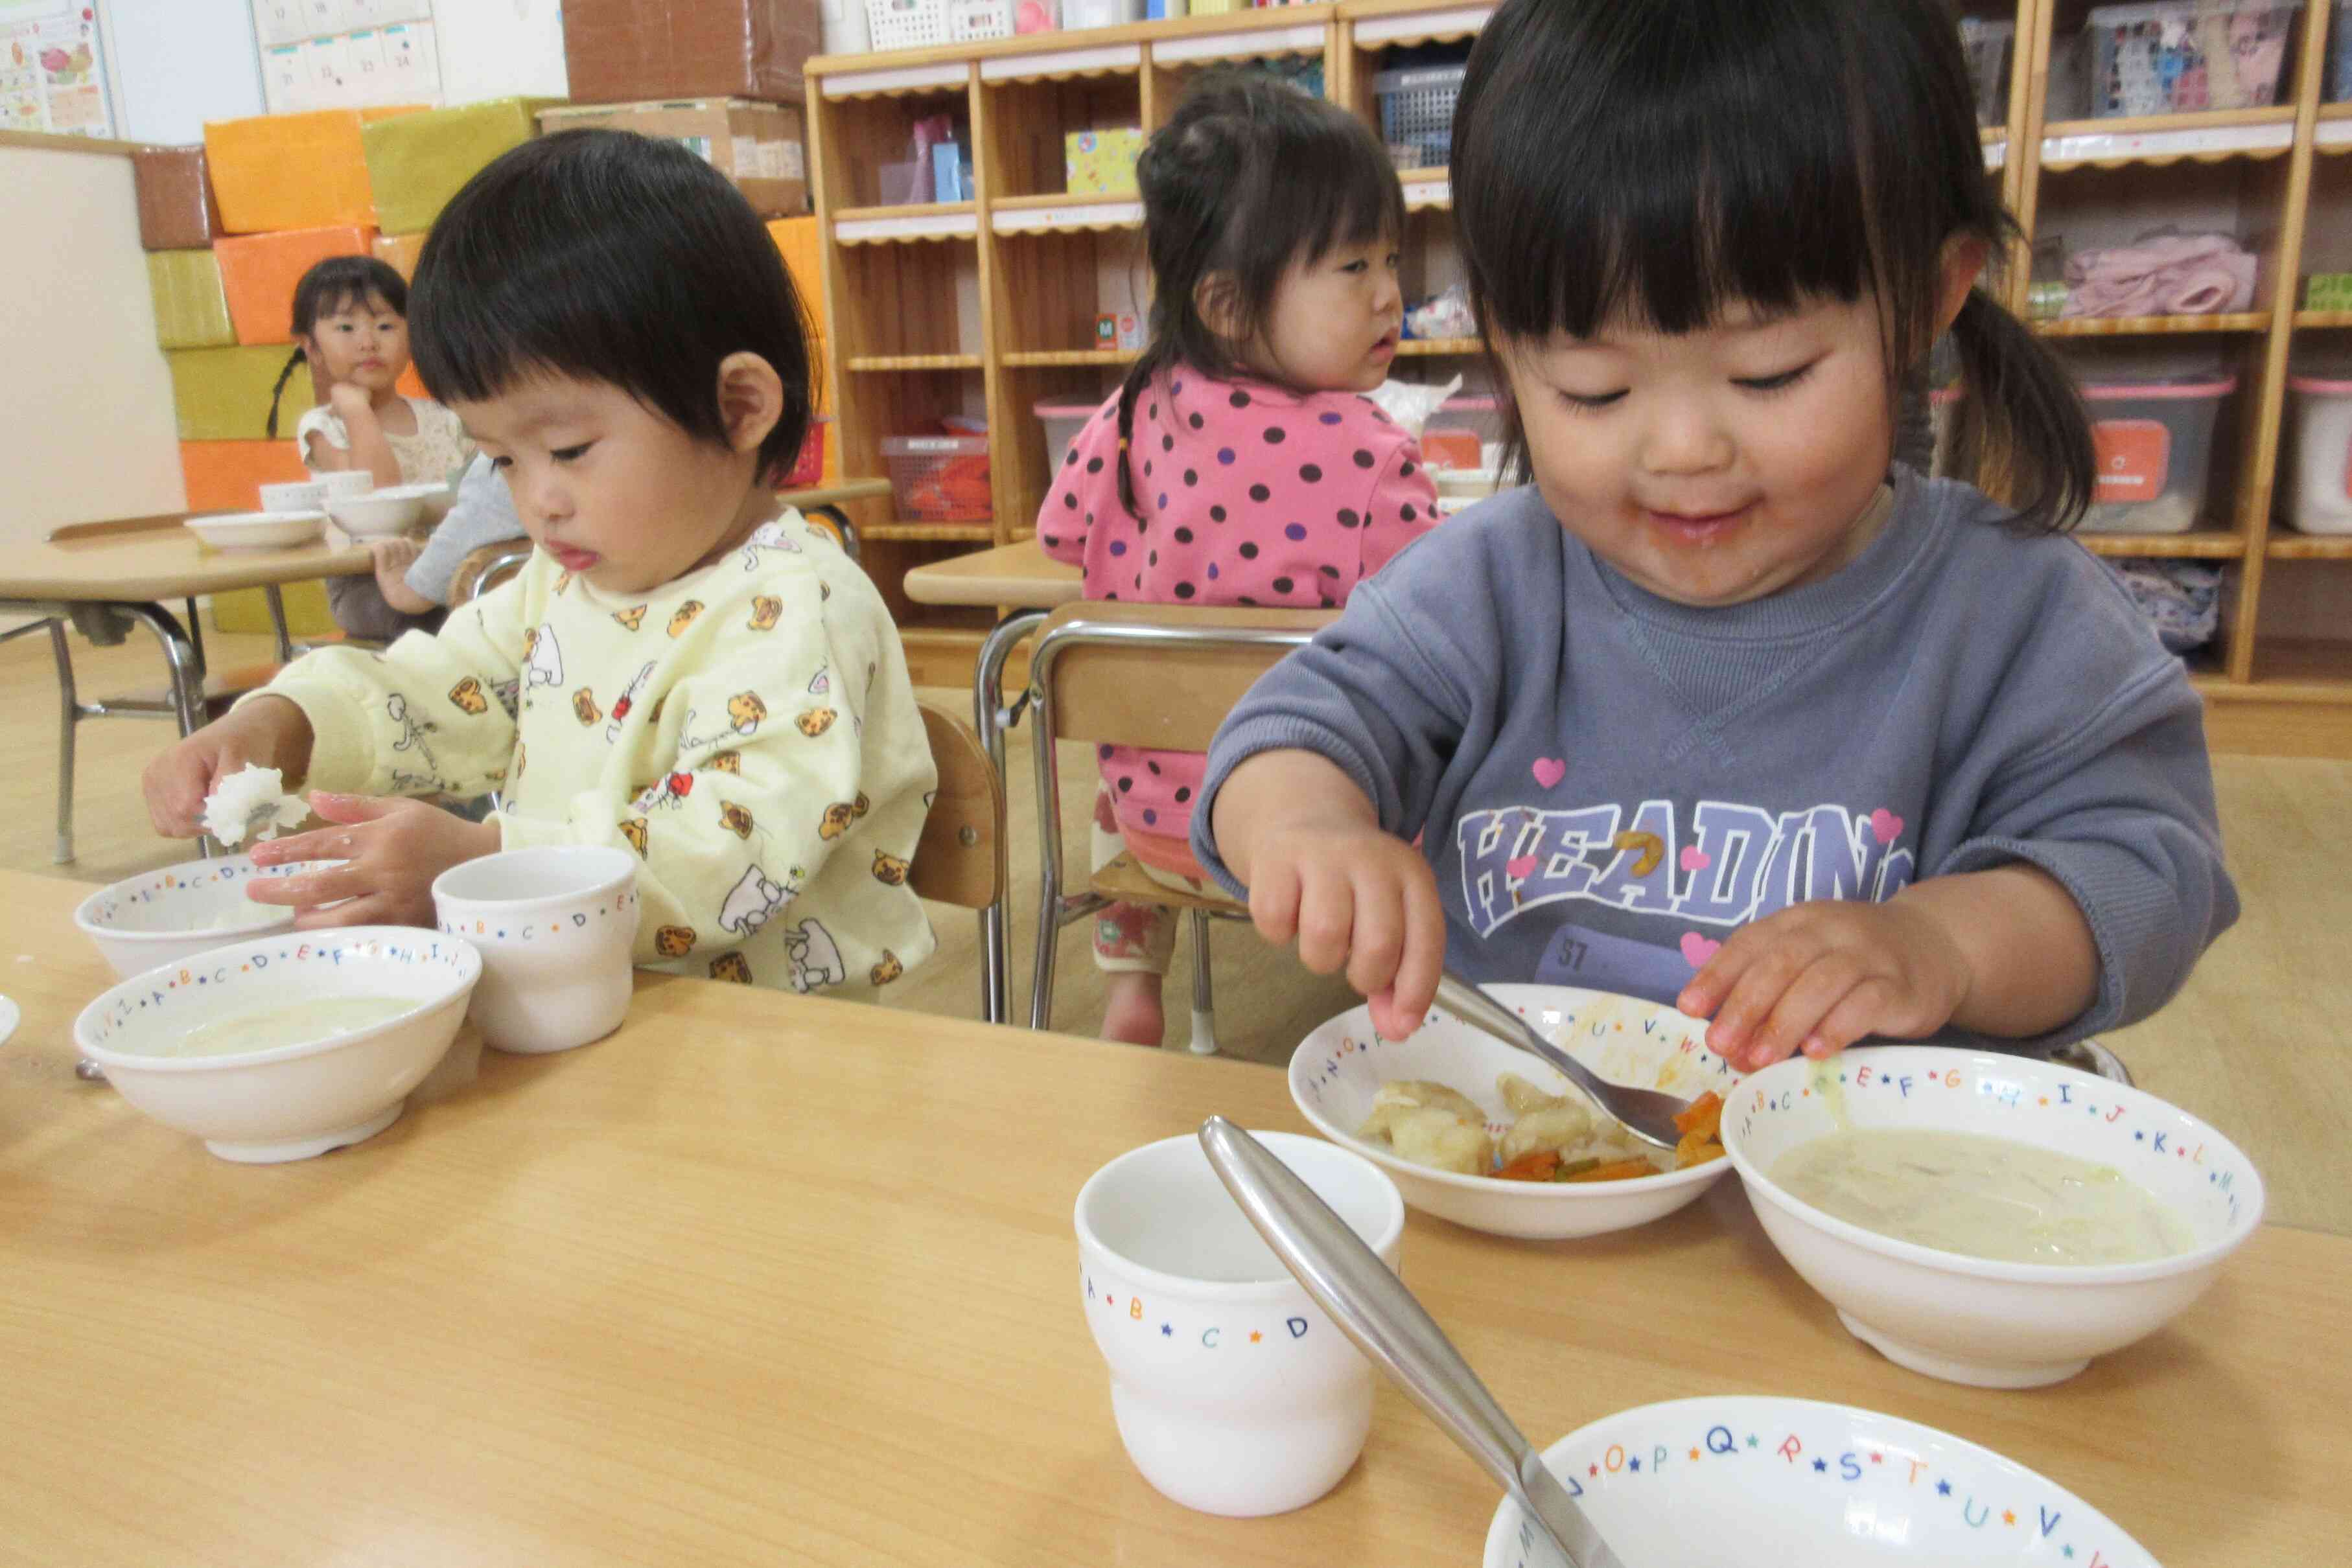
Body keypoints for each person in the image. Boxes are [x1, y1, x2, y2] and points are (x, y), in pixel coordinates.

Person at [1190, 0, 2237, 1074]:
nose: (1681, 450)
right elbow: (1291, 731)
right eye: (1592, 389)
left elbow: (2145, 877)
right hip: (1513, 1170)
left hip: (1867, 1197)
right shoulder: (1487, 585)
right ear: (1505, 348)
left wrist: (1940, 942)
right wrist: (1304, 829)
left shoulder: (2015, 613)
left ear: (1927, 299)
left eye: (1767, 374)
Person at [146, 130, 936, 1000]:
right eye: (502, 459)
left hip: (776, 1046)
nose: (538, 501)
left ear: (739, 408)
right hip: (590, 1005)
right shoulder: (562, 581)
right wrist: (282, 723)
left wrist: (490, 862)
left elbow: (732, 847)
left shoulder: (797, 605)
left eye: (566, 447)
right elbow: (444, 684)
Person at [1038, 71, 1441, 1048]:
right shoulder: (1370, 449)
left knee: (1116, 756)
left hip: (1152, 830)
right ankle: (1415, 998)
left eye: (1390, 259)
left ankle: (1133, 980)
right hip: (1305, 834)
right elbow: (1441, 626)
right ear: (1224, 302)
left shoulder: (1128, 413)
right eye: (1351, 269)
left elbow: (1058, 536)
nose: (1391, 294)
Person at [266, 255, 473, 641]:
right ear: (311, 348)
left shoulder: (444, 417)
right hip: (367, 583)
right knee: (433, 625)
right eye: (346, 328)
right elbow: (379, 492)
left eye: (385, 326)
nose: (368, 342)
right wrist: (356, 410)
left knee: (499, 605)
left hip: (453, 567)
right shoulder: (324, 427)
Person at [370, 452, 530, 615]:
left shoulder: (506, 449)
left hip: (509, 610)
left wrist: (411, 588)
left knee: (353, 595)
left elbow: (482, 512)